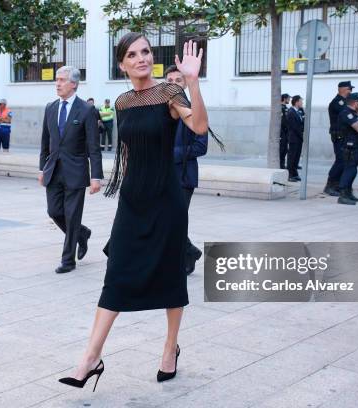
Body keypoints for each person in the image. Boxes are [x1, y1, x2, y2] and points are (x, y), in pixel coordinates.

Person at [58, 33, 222, 391]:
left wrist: (192, 83)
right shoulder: (122, 102)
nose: (141, 58)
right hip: (134, 200)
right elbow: (128, 152)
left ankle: (169, 348)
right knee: (116, 273)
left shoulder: (169, 93)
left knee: (169, 274)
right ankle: (90, 358)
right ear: (122, 64)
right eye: (132, 54)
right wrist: (119, 185)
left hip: (167, 199)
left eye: (146, 51)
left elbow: (197, 126)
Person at [38, 66, 103, 274]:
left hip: (76, 171)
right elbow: (45, 142)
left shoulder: (86, 110)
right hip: (53, 170)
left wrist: (96, 177)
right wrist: (42, 169)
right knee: (54, 211)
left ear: (74, 84)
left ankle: (68, 260)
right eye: (56, 80)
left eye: (62, 80)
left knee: (72, 215)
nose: (57, 83)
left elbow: (94, 147)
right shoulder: (50, 108)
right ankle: (81, 234)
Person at [165, 64, 208, 275]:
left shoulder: (195, 109)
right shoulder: (159, 111)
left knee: (174, 221)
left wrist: (169, 153)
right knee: (165, 221)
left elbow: (201, 146)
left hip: (183, 178)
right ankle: (189, 251)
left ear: (185, 84)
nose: (173, 85)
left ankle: (186, 254)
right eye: (169, 81)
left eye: (178, 81)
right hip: (160, 177)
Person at [336, 92, 358, 205]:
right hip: (349, 147)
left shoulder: (355, 114)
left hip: (356, 146)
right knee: (350, 170)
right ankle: (343, 194)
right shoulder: (346, 113)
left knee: (353, 170)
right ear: (355, 103)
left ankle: (348, 193)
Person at [324, 81, 354, 196]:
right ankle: (329, 185)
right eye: (348, 89)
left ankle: (336, 184)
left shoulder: (345, 102)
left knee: (344, 160)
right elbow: (348, 113)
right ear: (342, 89)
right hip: (338, 135)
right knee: (340, 160)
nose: (350, 91)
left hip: (344, 135)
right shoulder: (337, 102)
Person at [286, 95, 304, 182]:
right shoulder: (291, 112)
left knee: (296, 157)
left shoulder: (298, 111)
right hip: (294, 138)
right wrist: (301, 135)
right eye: (301, 101)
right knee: (292, 157)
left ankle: (294, 173)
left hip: (298, 138)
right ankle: (289, 175)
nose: (302, 103)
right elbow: (294, 127)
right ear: (296, 102)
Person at [280, 93, 291, 170]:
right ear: (284, 99)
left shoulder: (285, 107)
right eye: (288, 98)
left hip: (286, 132)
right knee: (282, 149)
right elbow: (283, 121)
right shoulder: (281, 107)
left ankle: (282, 164)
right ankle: (281, 164)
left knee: (285, 150)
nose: (289, 100)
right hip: (282, 132)